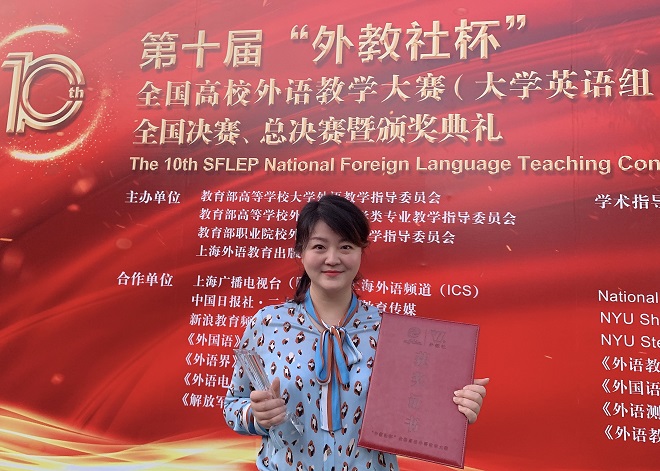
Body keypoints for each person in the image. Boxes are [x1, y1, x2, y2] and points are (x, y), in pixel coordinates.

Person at [224, 194, 489, 471]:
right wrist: (256, 416)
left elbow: (415, 409)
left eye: (346, 246)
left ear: (362, 250)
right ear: (300, 251)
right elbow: (233, 405)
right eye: (319, 246)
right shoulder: (268, 324)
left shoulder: (390, 331)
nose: (332, 258)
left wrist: (456, 410)